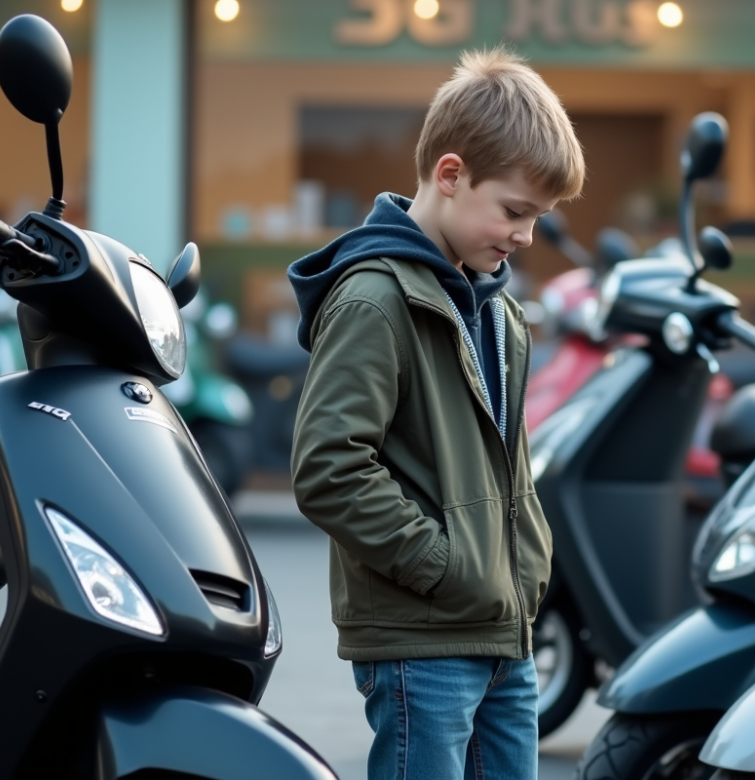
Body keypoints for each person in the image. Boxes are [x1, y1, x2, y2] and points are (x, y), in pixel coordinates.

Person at [288, 47, 586, 780]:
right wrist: (448, 569)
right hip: (422, 642)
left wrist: (523, 568)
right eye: (515, 211)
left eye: (539, 219)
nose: (525, 235)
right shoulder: (372, 300)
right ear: (450, 175)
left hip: (503, 634)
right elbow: (329, 468)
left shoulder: (500, 311)